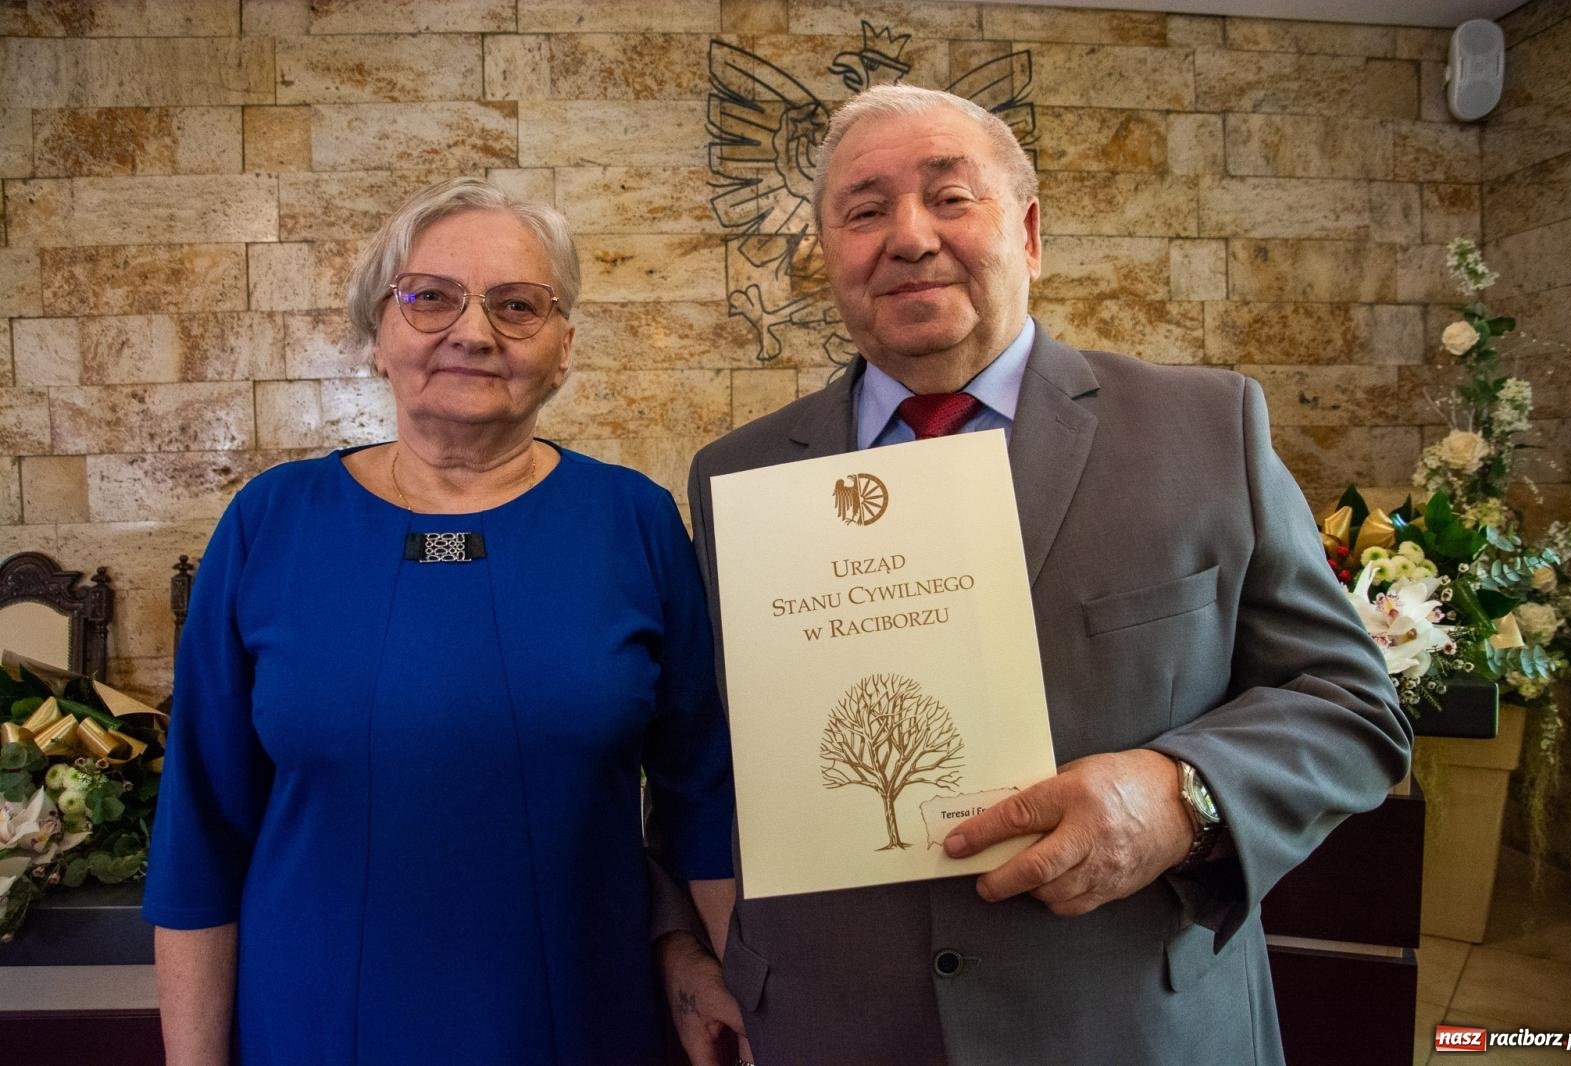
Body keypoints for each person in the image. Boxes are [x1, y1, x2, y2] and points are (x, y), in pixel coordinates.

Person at [657, 85, 1411, 1065]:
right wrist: (681, 943)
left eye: (949, 196)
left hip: (1128, 1023)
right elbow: (694, 747)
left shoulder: (1205, 429)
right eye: (864, 209)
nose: (909, 237)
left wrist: (1185, 794)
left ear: (1031, 231)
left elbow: (1351, 704)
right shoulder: (737, 474)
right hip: (825, 1024)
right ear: (828, 256)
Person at [143, 177, 735, 1065]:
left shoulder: (635, 523)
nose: (473, 331)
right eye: (429, 298)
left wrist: (731, 976)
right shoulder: (271, 524)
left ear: (564, 346)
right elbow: (199, 830)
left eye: (517, 305)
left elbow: (705, 799)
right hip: (313, 1025)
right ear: (378, 335)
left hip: (582, 1017)